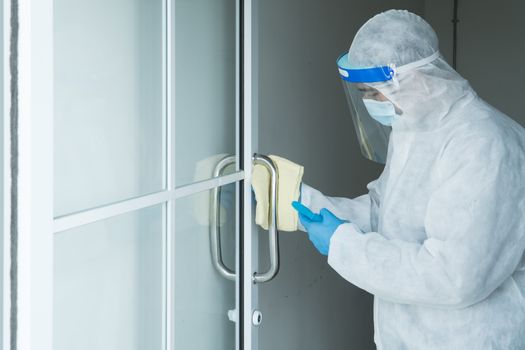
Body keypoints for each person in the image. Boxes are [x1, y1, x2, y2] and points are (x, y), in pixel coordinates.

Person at [252, 9, 525, 350]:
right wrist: (298, 203)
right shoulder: (413, 126)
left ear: (416, 78)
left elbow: (453, 278)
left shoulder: (482, 143)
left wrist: (343, 244)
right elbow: (386, 211)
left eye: (374, 92)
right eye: (363, 93)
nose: (369, 102)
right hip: (409, 337)